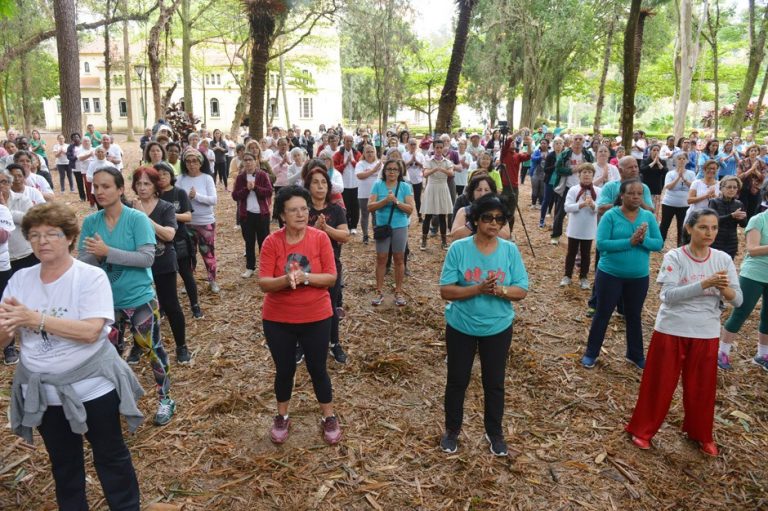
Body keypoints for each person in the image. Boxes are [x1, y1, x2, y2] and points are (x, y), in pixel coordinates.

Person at [2, 202, 143, 510]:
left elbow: (91, 331)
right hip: (45, 394)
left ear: (69, 238)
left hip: (93, 389)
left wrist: (33, 319)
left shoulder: (89, 277)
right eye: (35, 235)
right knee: (64, 465)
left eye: (52, 234)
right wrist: (7, 328)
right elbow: (5, 334)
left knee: (111, 456)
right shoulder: (20, 281)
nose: (42, 241)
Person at [626, 209, 741, 457]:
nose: (709, 233)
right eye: (703, 227)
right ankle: (643, 430)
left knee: (702, 387)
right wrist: (704, 284)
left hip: (706, 331)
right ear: (689, 228)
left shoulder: (723, 259)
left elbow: (738, 300)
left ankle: (701, 433)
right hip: (672, 328)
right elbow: (667, 296)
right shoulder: (675, 257)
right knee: (660, 382)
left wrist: (725, 291)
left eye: (713, 228)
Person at [78, 167, 175, 426]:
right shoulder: (91, 223)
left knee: (152, 349)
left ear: (121, 189)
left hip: (139, 298)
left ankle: (165, 398)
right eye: (96, 186)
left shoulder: (137, 219)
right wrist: (98, 255)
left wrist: (106, 251)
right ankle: (117, 401)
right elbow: (83, 262)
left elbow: (146, 257)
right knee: (110, 355)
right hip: (105, 304)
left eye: (106, 186)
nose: (99, 191)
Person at [438, 194, 528, 456]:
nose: (493, 223)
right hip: (461, 326)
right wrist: (477, 289)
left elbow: (521, 289)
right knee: (457, 380)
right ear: (476, 220)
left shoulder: (510, 250)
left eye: (499, 219)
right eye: (487, 217)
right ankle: (452, 430)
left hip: (497, 327)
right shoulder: (459, 249)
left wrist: (498, 290)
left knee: (495, 382)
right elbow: (446, 290)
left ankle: (494, 432)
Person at [258, 185, 342, 445]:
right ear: (282, 215)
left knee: (318, 369)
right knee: (284, 370)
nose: (301, 214)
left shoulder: (319, 238)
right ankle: (282, 416)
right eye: (293, 210)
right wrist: (286, 279)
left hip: (316, 315)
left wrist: (305, 277)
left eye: (304, 208)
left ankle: (328, 416)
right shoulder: (272, 241)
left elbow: (331, 277)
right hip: (278, 319)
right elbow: (263, 282)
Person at [582, 179, 663, 369]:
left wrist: (642, 241)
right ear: (622, 195)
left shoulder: (648, 217)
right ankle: (591, 353)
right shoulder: (611, 216)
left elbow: (658, 244)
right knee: (603, 313)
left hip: (638, 277)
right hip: (610, 274)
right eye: (631, 193)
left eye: (639, 194)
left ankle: (635, 355)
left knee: (634, 315)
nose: (635, 197)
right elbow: (602, 245)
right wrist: (630, 242)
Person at [130, 166, 191, 364]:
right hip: (137, 264)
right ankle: (138, 345)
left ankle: (181, 345)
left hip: (163, 260)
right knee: (138, 306)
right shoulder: (128, 207)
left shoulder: (165, 207)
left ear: (156, 185)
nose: (142, 187)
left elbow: (168, 234)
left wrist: (143, 217)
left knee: (171, 304)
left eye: (146, 183)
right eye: (138, 183)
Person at [718, 184, 768, 371]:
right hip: (754, 274)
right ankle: (722, 352)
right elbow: (753, 250)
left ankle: (763, 355)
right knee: (741, 311)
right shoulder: (758, 220)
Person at [304, 162, 349, 363]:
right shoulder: (301, 210)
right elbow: (295, 236)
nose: (320, 186)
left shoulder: (336, 209)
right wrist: (314, 227)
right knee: (304, 304)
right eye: (315, 182)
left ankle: (334, 343)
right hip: (306, 265)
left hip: (331, 265)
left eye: (323, 182)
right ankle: (302, 344)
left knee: (330, 306)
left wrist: (326, 229)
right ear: (308, 186)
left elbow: (345, 236)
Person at [156, 163, 203, 319]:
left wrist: (169, 215)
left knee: (186, 274)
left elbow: (188, 216)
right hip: (160, 242)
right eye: (158, 174)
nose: (161, 176)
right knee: (163, 278)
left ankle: (195, 305)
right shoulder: (153, 196)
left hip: (180, 240)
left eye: (165, 173)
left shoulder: (179, 193)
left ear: (171, 175)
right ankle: (163, 307)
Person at [368, 158, 415, 306]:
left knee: (399, 258)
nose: (392, 172)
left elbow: (410, 209)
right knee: (381, 258)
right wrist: (385, 201)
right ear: (384, 171)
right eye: (389, 169)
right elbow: (370, 207)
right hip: (383, 225)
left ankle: (398, 292)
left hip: (400, 225)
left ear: (400, 171)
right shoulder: (377, 185)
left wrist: (396, 201)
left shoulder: (405, 187)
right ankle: (379, 291)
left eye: (395, 169)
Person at [178, 148, 220, 293]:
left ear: (201, 162)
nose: (191, 164)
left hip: (205, 222)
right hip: (186, 222)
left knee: (208, 253)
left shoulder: (207, 178)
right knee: (188, 255)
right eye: (188, 161)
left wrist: (196, 196)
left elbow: (214, 200)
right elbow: (175, 198)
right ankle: (188, 282)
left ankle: (212, 280)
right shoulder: (180, 179)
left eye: (194, 161)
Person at [232, 151, 273, 278]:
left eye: (250, 159)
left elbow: (269, 192)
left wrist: (255, 188)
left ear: (256, 161)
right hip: (246, 215)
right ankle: (250, 267)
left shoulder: (262, 175)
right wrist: (246, 189)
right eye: (246, 160)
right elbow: (235, 195)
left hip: (262, 215)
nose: (248, 162)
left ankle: (266, 268)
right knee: (249, 242)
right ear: (243, 162)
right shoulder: (240, 177)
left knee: (264, 242)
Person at [550, 134, 594, 245]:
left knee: (585, 211)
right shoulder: (566, 154)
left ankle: (582, 236)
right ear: (572, 141)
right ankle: (555, 235)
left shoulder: (588, 154)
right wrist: (572, 170)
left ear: (584, 141)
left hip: (584, 187)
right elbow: (558, 169)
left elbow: (592, 169)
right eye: (576, 139)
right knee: (560, 213)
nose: (578, 141)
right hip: (568, 187)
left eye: (580, 139)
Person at [562, 164, 601, 290]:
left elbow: (600, 208)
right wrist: (581, 205)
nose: (587, 175)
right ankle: (567, 275)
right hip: (575, 227)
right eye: (584, 172)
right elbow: (567, 207)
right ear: (579, 175)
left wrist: (592, 205)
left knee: (586, 253)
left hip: (589, 228)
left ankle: (583, 277)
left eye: (590, 172)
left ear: (593, 175)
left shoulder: (598, 191)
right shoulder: (573, 190)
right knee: (571, 252)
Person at [450, 175, 509, 240]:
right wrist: (472, 222)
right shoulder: (464, 211)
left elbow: (505, 235)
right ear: (472, 192)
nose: (482, 194)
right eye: (479, 190)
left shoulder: (499, 211)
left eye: (486, 190)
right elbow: (454, 236)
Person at [420, 139, 454, 251]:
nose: (439, 150)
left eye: (441, 147)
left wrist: (442, 169)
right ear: (433, 148)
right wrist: (435, 169)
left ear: (444, 148)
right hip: (431, 187)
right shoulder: (428, 161)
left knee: (442, 216)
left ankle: (444, 242)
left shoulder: (447, 162)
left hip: (443, 187)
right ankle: (424, 241)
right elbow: (425, 174)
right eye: (437, 147)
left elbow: (451, 173)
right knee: (428, 216)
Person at [660, 152, 696, 246]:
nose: (682, 160)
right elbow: (668, 187)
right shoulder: (670, 173)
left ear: (687, 161)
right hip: (669, 203)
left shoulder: (691, 173)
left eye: (684, 158)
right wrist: (678, 177)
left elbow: (693, 187)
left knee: (682, 226)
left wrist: (683, 179)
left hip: (684, 205)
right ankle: (659, 244)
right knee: (664, 224)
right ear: (675, 160)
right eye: (679, 158)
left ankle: (681, 245)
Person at [708, 176, 747, 259]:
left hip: (731, 242)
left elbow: (743, 225)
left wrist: (742, 218)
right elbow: (712, 220)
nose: (732, 189)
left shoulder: (739, 204)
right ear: (721, 189)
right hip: (715, 241)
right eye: (729, 187)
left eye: (735, 187)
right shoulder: (714, 202)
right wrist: (731, 216)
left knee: (727, 268)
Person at [355, 145, 382, 245]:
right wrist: (373, 171)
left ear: (375, 152)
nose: (370, 154)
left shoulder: (379, 164)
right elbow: (360, 175)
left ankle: (376, 233)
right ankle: (365, 235)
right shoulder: (360, 164)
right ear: (364, 153)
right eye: (368, 152)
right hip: (363, 193)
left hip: (377, 194)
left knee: (376, 215)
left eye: (372, 151)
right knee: (365, 214)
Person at [686, 160, 720, 229]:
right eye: (709, 168)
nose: (711, 170)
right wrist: (705, 196)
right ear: (704, 169)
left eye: (713, 169)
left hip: (711, 217)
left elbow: (721, 203)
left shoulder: (720, 185)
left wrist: (714, 197)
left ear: (717, 170)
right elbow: (689, 200)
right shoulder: (696, 183)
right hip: (695, 215)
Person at [737, 144, 767, 220]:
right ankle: (741, 225)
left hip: (756, 189)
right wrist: (751, 170)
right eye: (751, 150)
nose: (753, 152)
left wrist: (756, 171)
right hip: (744, 188)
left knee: (753, 208)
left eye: (755, 151)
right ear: (748, 152)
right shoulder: (742, 162)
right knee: (742, 207)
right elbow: (739, 177)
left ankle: (750, 223)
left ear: (758, 152)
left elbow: (763, 178)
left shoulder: (762, 163)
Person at [640, 144, 667, 214]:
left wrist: (658, 163)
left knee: (654, 209)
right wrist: (653, 162)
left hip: (657, 188)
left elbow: (665, 171)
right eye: (654, 150)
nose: (656, 152)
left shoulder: (662, 162)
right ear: (650, 151)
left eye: (658, 150)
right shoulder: (645, 161)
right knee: (645, 208)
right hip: (646, 187)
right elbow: (642, 170)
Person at [403, 139, 425, 222]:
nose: (413, 146)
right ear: (408, 145)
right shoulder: (404, 155)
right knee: (406, 199)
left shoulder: (420, 155)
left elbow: (424, 166)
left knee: (417, 198)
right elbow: (402, 166)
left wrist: (417, 162)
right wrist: (410, 161)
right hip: (407, 180)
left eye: (414, 144)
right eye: (411, 144)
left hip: (418, 180)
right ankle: (406, 216)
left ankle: (420, 216)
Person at [67, 133, 88, 201]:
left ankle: (89, 197)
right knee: (79, 183)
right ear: (72, 139)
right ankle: (82, 197)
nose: (76, 138)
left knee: (87, 183)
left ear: (80, 138)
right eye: (74, 137)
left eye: (77, 137)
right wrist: (76, 157)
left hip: (85, 167)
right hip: (76, 168)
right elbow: (69, 157)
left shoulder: (84, 145)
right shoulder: (70, 147)